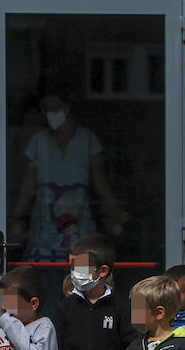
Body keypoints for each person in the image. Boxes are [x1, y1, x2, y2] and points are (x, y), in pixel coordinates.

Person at [12, 92, 126, 263]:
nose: (51, 113)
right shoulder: (39, 140)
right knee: (44, 272)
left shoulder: (87, 139)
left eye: (55, 108)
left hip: (79, 223)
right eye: (46, 109)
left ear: (66, 108)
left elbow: (100, 182)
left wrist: (115, 210)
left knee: (82, 270)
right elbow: (28, 187)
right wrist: (15, 217)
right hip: (45, 224)